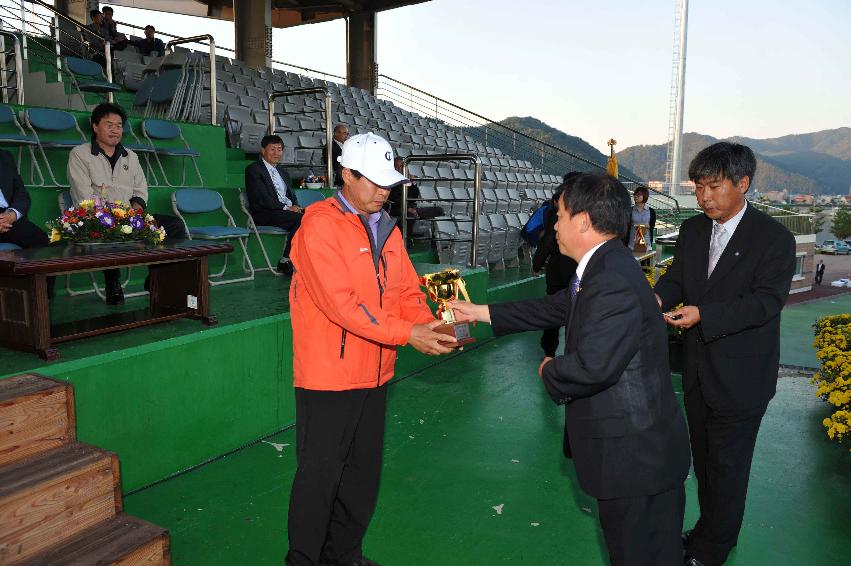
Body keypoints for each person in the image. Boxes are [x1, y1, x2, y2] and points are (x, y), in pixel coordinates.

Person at [450, 172, 691, 566]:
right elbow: (558, 307)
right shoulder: (606, 265)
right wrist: (481, 312)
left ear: (583, 221)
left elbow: (593, 367)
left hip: (636, 462)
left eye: (558, 214)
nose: (554, 224)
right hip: (639, 454)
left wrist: (549, 371)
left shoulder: (611, 279)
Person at [286, 132, 457, 566]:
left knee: (362, 476)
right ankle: (303, 560)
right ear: (346, 175)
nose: (384, 191)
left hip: (376, 371)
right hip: (329, 376)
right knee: (319, 478)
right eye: (374, 181)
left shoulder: (387, 228)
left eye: (388, 181)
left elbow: (404, 291)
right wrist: (407, 334)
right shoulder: (318, 225)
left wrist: (430, 325)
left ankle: (344, 555)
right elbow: (342, 305)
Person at [654, 142, 796, 566]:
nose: (704, 198)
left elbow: (766, 302)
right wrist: (658, 299)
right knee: (705, 462)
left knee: (728, 469)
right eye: (698, 188)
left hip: (742, 379)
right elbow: (677, 277)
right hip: (698, 371)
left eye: (714, 187)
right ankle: (706, 530)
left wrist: (704, 315)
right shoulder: (695, 229)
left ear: (743, 183)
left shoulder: (774, 238)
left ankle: (713, 549)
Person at [67, 103, 186, 305]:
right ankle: (112, 280)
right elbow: (83, 197)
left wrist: (135, 212)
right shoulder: (80, 154)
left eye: (119, 125)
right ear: (95, 127)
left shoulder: (130, 156)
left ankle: (156, 276)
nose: (115, 130)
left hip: (129, 216)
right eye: (109, 124)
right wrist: (111, 216)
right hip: (96, 217)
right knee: (107, 230)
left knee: (174, 226)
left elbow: (140, 190)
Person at [532, 179, 578, 359]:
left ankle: (549, 353)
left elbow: (547, 242)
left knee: (553, 314)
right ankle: (569, 354)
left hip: (559, 274)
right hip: (574, 274)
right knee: (576, 315)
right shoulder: (583, 211)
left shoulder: (556, 213)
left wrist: (537, 264)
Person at [244, 134, 303, 275]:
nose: (277, 153)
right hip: (264, 213)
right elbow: (262, 198)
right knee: (301, 220)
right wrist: (287, 208)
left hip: (285, 211)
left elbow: (291, 195)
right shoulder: (253, 170)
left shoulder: (283, 172)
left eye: (279, 149)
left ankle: (303, 259)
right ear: (263, 150)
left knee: (316, 216)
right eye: (272, 149)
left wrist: (296, 206)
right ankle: (286, 260)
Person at [0, 149, 50, 251]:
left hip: (7, 217)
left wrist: (13, 214)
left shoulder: (4, 156)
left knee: (45, 243)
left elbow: (21, 194)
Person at [386, 156, 444, 238]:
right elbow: (394, 198)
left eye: (403, 166)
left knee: (439, 210)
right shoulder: (390, 180)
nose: (401, 169)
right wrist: (408, 208)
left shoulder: (405, 180)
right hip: (395, 208)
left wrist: (412, 183)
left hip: (411, 207)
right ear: (394, 168)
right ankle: (405, 242)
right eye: (399, 166)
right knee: (409, 215)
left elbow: (414, 196)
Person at [626, 186, 656, 250]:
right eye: (635, 194)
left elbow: (652, 226)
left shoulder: (651, 211)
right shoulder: (629, 210)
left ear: (644, 196)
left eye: (638, 195)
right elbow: (626, 226)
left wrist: (647, 226)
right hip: (632, 245)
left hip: (646, 245)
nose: (635, 196)